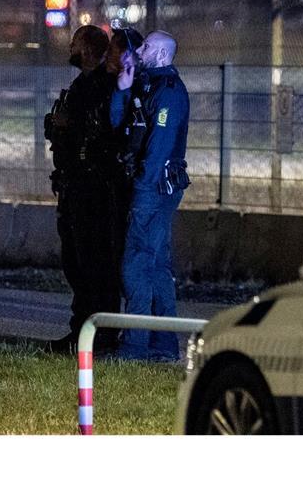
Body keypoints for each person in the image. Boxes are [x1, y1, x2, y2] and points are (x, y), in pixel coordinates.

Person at [110, 30, 191, 362]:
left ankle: (134, 345)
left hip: (154, 189)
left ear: (160, 55)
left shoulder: (169, 93)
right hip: (151, 187)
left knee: (135, 265)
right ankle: (163, 345)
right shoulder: (146, 86)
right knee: (156, 266)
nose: (139, 51)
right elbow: (120, 123)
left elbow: (158, 148)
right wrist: (123, 90)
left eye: (146, 47)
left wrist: (141, 187)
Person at [45, 24, 120, 354]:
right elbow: (58, 124)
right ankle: (81, 331)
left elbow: (100, 132)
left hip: (92, 190)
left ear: (88, 50)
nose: (70, 50)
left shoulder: (103, 85)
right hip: (73, 186)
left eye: (75, 44)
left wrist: (68, 125)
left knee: (94, 266)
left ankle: (97, 335)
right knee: (75, 264)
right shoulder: (82, 84)